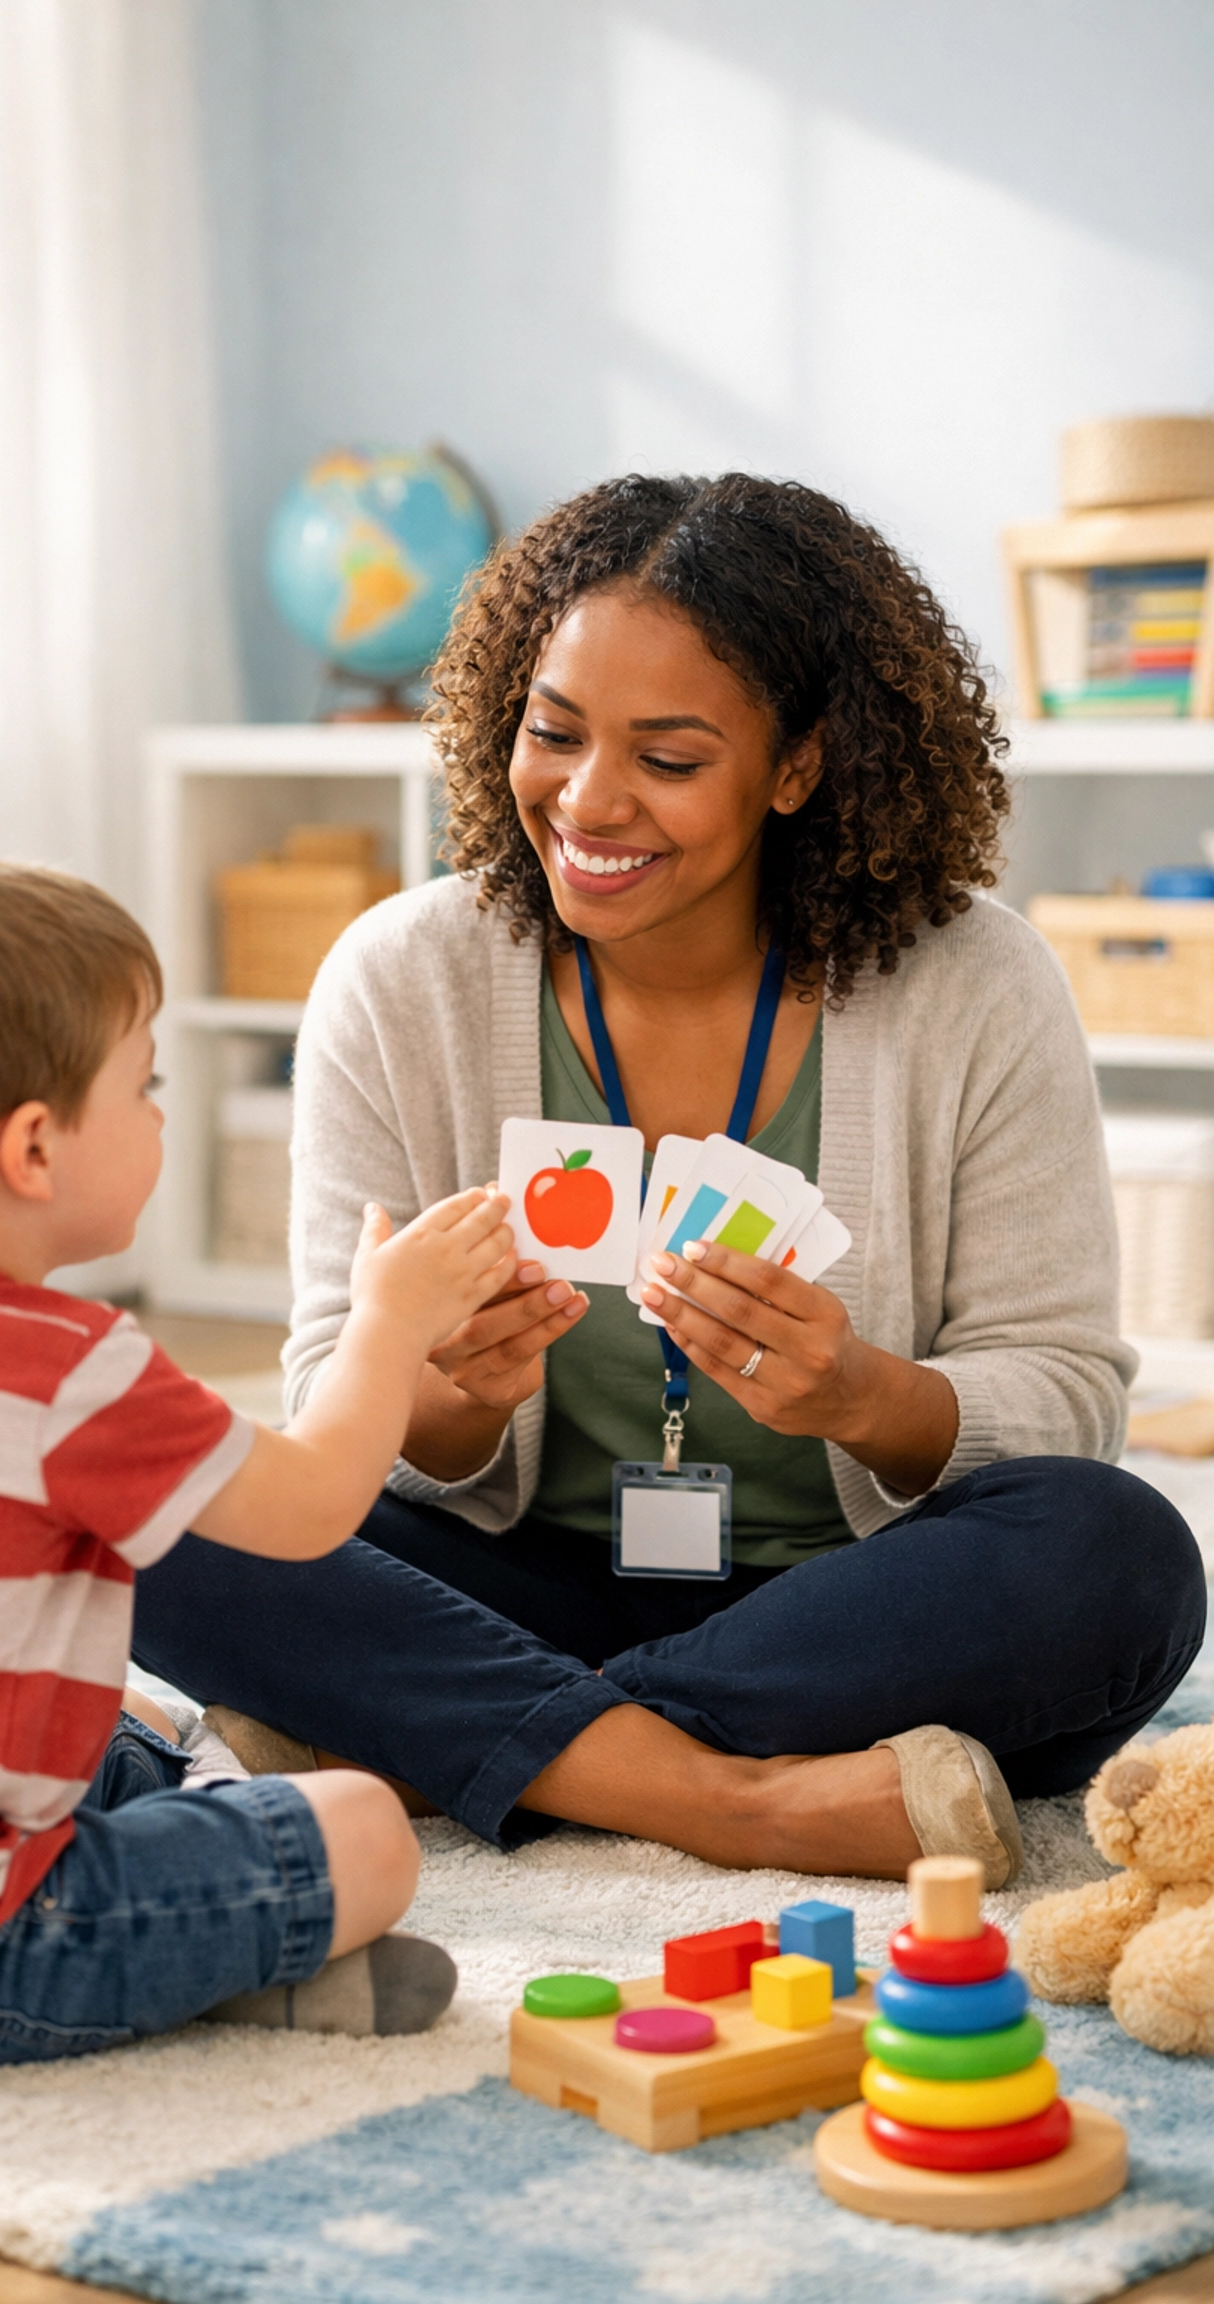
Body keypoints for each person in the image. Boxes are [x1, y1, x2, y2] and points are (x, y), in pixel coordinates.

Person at [133, 472, 1206, 1884]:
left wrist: (863, 1398)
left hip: (849, 1602)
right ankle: (731, 1797)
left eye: (670, 757)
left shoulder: (976, 982)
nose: (587, 801)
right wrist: (447, 1396)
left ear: (799, 766)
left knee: (1120, 1555)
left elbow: (1068, 1395)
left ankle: (451, 1731)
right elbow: (338, 1402)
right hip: (512, 1573)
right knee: (156, 1517)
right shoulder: (404, 980)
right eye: (554, 732)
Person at [0, 859, 521, 2068]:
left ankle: (196, 1947)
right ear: (33, 1149)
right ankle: (202, 1971)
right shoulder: (68, 1367)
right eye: (147, 1082)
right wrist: (390, 1323)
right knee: (367, 1833)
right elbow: (314, 1508)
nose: (161, 1112)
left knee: (120, 1719)